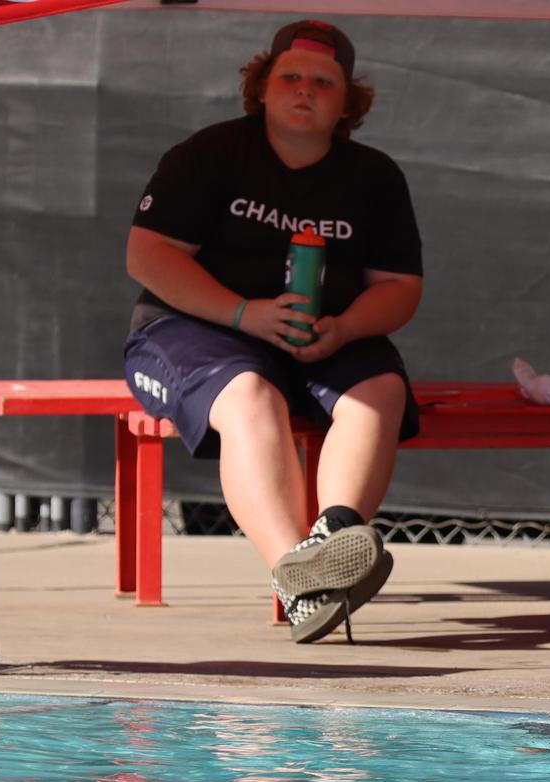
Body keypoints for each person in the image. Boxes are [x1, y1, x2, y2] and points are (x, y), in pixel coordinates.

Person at [123, 19, 423, 643]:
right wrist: (243, 312)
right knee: (250, 396)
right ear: (261, 87)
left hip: (323, 336)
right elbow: (148, 256)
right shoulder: (208, 154)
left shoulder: (374, 176)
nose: (304, 89)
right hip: (193, 328)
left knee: (381, 393)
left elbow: (399, 289)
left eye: (323, 81)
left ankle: (334, 540)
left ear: (347, 102)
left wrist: (342, 330)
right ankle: (300, 578)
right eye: (289, 75)